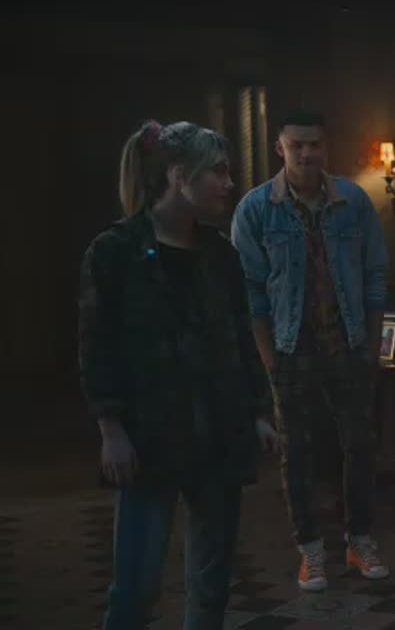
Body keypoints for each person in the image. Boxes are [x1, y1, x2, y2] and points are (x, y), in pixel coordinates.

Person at [79, 120, 280, 630]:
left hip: (220, 434)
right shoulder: (115, 251)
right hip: (151, 435)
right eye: (218, 171)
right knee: (135, 588)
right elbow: (97, 348)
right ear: (178, 175)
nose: (228, 183)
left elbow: (240, 340)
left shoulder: (220, 254)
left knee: (211, 588)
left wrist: (258, 413)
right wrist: (111, 430)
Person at [230, 108, 391, 591]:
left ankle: (360, 540)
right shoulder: (256, 209)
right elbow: (251, 293)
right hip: (289, 347)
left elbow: (375, 276)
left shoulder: (354, 203)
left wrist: (371, 345)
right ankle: (310, 551)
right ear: (279, 148)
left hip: (348, 343)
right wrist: (269, 358)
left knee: (360, 445)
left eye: (314, 144)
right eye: (296, 145)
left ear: (326, 147)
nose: (306, 153)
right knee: (296, 452)